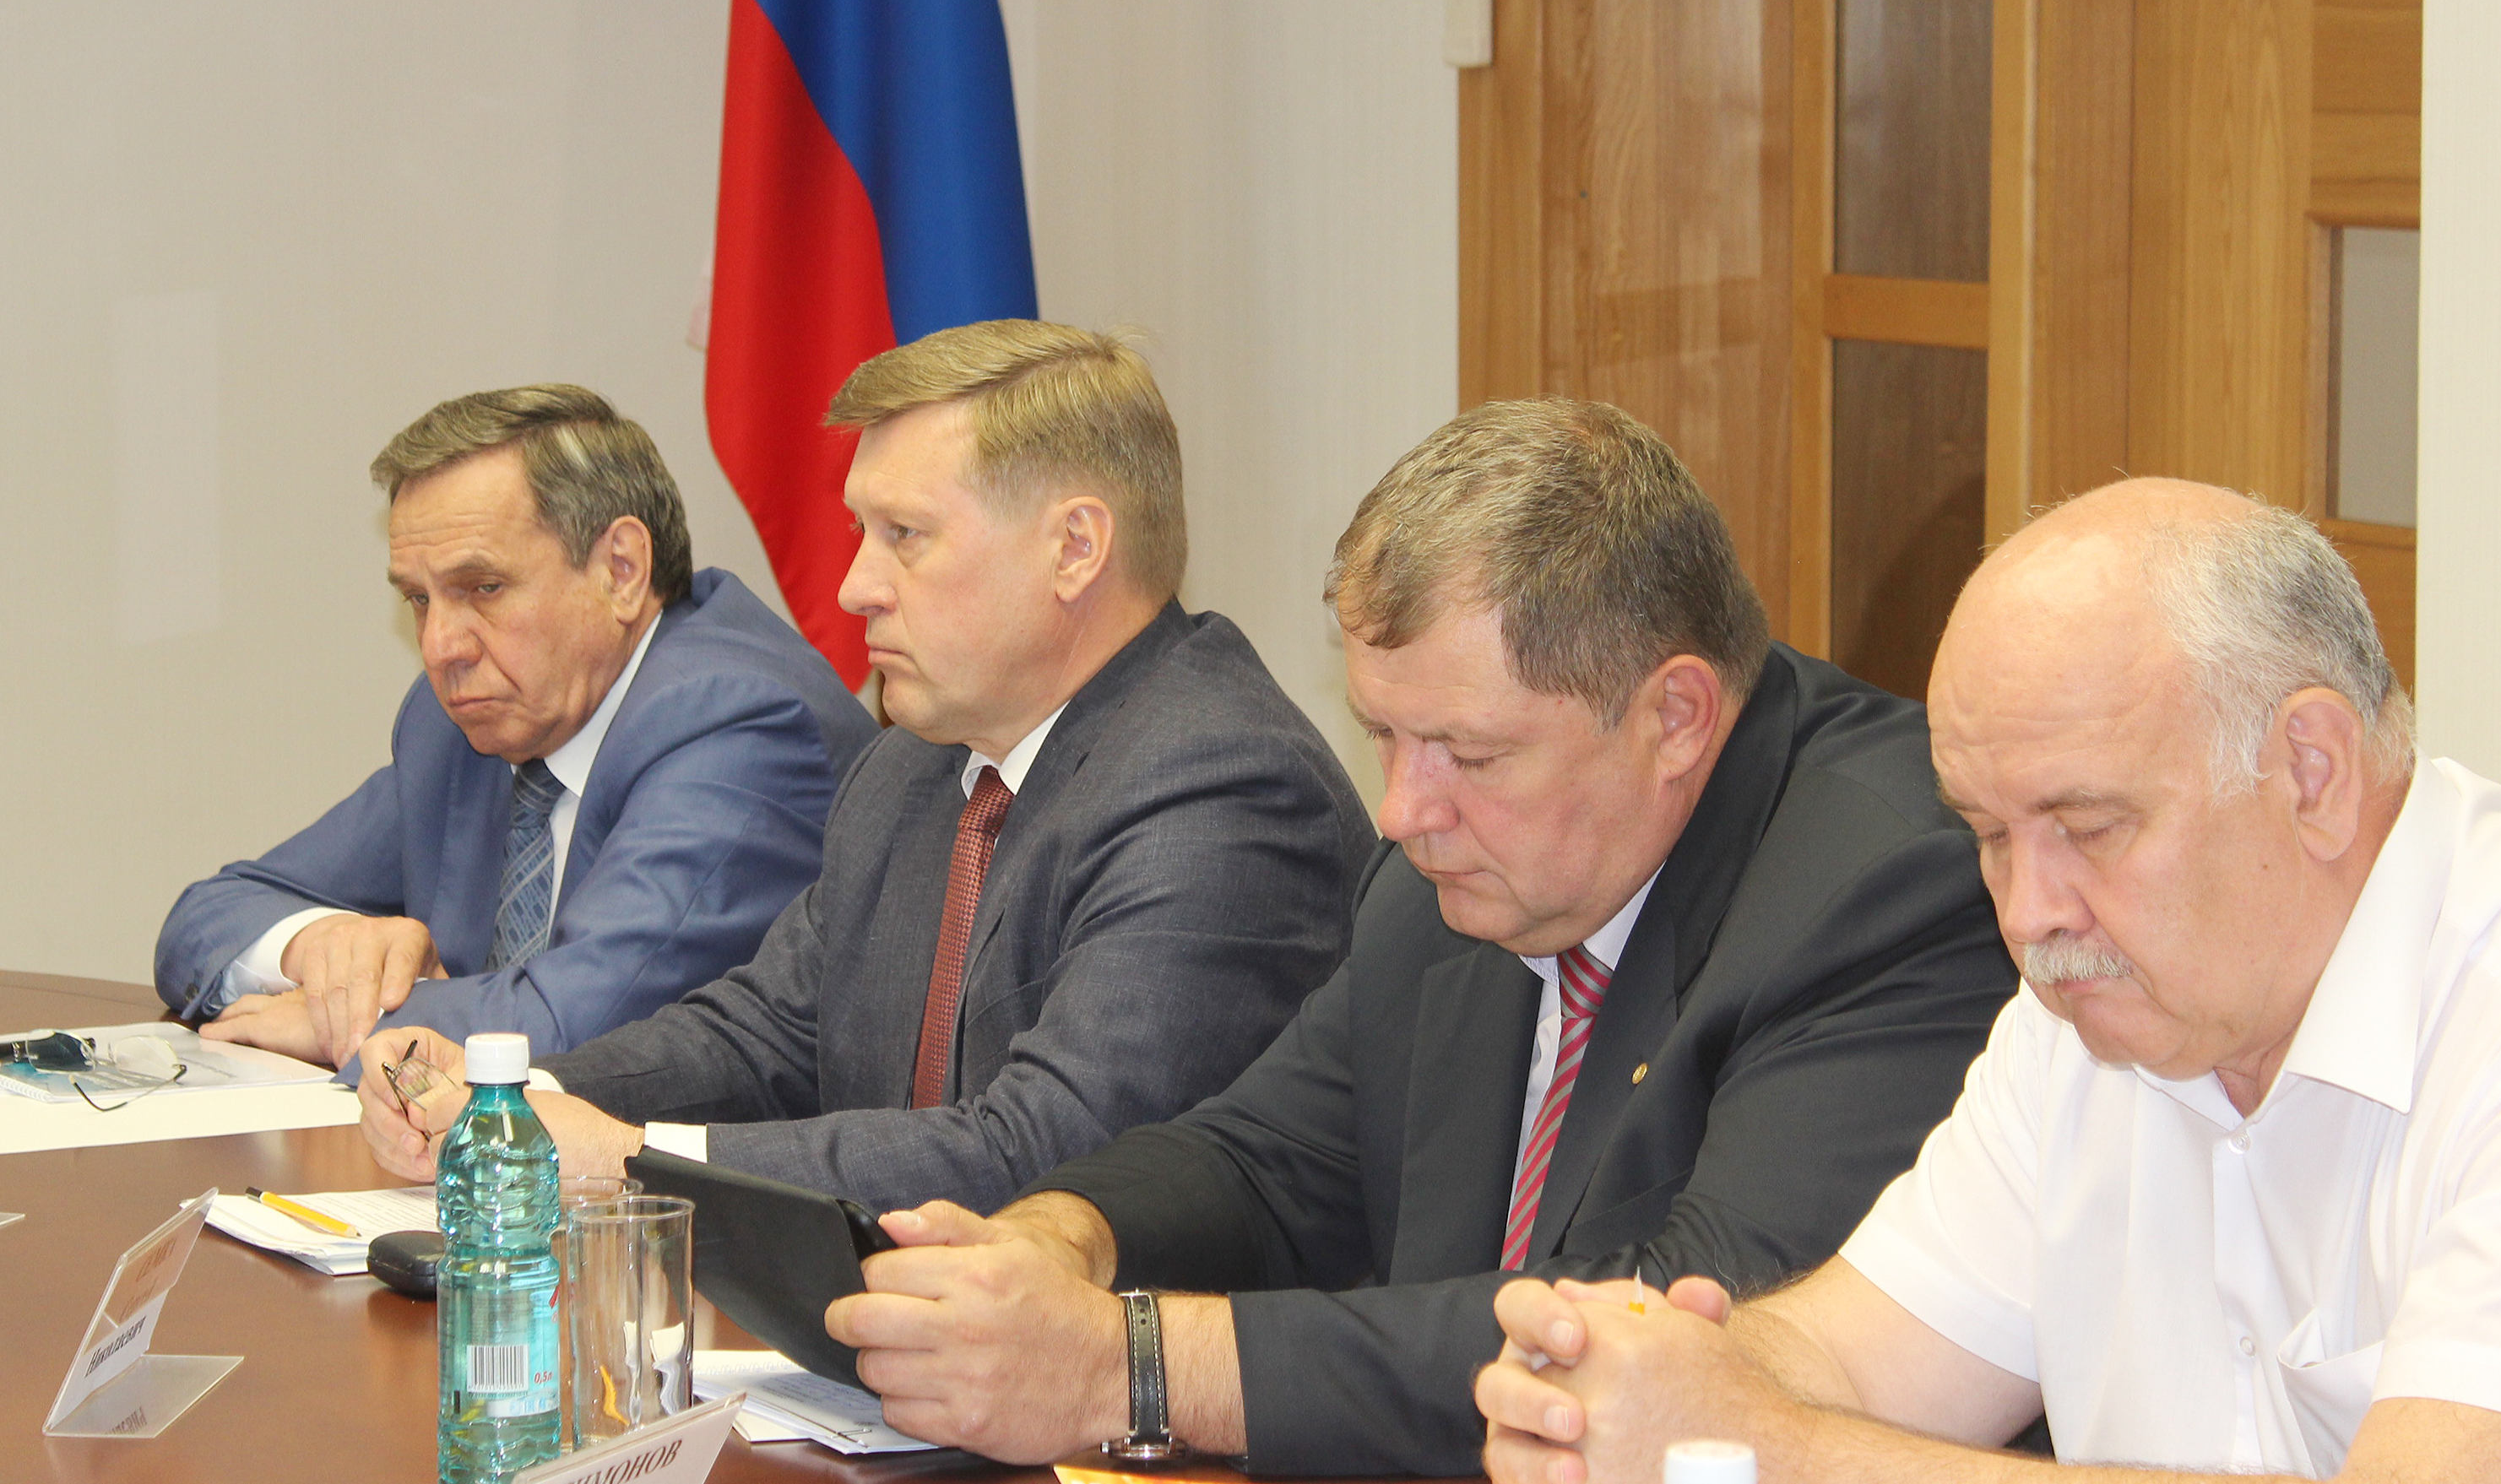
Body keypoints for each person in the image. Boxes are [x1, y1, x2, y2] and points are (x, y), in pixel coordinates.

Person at [822, 398, 2018, 1475]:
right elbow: (1268, 1161)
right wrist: (1062, 1235)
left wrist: (1129, 1366)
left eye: (1469, 754)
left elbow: (1669, 1340)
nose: (1401, 811)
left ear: (1675, 715)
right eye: (1385, 736)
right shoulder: (1459, 872)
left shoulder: (1890, 896)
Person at [1475, 478, 2501, 1484]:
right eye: (1989, 837)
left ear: (2311, 772)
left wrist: (1779, 1448)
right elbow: (1849, 1360)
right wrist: (1643, 1374)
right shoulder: (2087, 1015)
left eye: (2088, 828)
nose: (2025, 913)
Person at [354, 322, 1375, 1216]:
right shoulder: (913, 764)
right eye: (859, 533)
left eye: (905, 537)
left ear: (1074, 548)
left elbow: (1046, 1154)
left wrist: (627, 1158)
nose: (853, 588)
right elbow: (764, 1032)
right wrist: (513, 1094)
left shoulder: (1220, 789)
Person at [155, 385, 870, 1073]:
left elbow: (575, 1026)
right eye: (419, 599)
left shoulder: (736, 723)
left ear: (621, 570)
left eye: (483, 588)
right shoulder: (467, 724)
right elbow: (207, 915)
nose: (440, 646)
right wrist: (322, 945)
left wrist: (342, 1022)